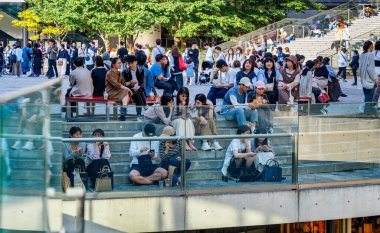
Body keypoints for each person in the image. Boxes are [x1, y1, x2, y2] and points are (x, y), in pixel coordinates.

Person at [359, 41, 378, 113]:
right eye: (372, 46)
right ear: (370, 46)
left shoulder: (362, 54)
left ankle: (367, 112)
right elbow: (371, 69)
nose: (373, 47)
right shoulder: (370, 55)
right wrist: (376, 79)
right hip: (369, 80)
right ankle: (366, 113)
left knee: (367, 98)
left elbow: (360, 68)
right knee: (369, 99)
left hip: (363, 80)